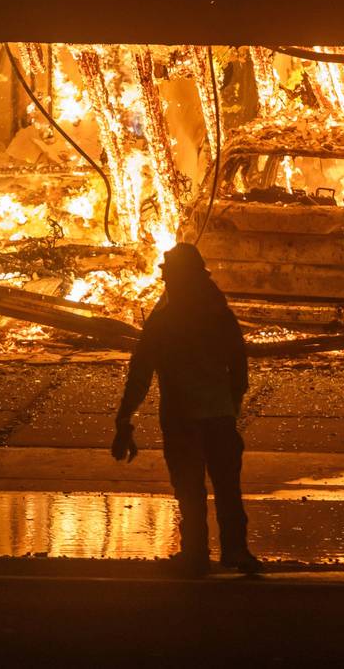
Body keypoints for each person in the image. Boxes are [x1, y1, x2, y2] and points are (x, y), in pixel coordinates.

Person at [112, 242, 263, 576]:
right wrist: (232, 404)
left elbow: (141, 371)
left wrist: (125, 417)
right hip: (217, 416)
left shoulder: (165, 319)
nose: (167, 283)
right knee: (225, 489)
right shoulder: (217, 312)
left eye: (170, 277)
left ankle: (196, 553)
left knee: (190, 489)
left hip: (182, 417)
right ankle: (233, 551)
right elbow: (238, 364)